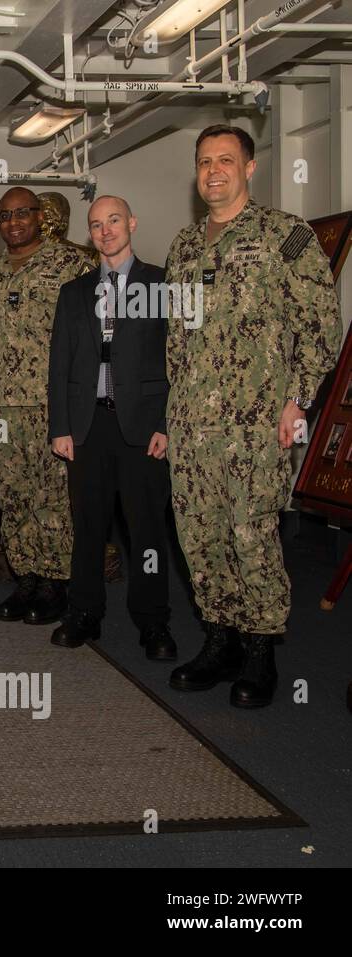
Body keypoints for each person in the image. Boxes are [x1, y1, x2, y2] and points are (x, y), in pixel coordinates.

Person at [164, 125, 342, 708]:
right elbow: (175, 340)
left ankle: (262, 649)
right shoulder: (185, 246)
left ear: (249, 166)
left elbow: (322, 326)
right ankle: (221, 641)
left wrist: (299, 400)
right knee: (199, 537)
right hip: (192, 425)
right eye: (203, 162)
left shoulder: (283, 236)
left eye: (224, 160)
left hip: (256, 424)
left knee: (251, 535)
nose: (213, 171)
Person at [46, 195, 176, 660]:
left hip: (143, 428)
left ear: (132, 223)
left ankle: (153, 622)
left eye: (114, 220)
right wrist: (60, 426)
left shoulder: (161, 284)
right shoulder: (74, 292)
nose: (106, 230)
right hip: (88, 426)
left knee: (147, 532)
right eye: (97, 224)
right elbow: (59, 363)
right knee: (88, 526)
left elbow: (178, 362)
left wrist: (166, 423)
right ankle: (84, 613)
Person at [0, 187, 92, 626]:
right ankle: (26, 578)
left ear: (40, 217)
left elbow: (90, 339)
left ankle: (56, 584)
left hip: (51, 405)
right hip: (2, 407)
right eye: (5, 215)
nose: (14, 222)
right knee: (11, 495)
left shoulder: (73, 265)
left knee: (53, 497)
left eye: (22, 213)